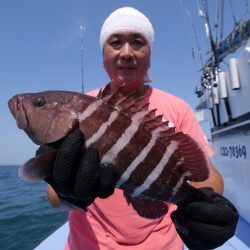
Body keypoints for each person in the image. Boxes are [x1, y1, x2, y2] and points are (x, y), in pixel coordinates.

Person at [42, 7, 238, 250]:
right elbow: (53, 197)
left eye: (137, 42)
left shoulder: (178, 108)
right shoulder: (78, 108)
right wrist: (67, 193)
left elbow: (208, 178)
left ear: (150, 54)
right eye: (115, 43)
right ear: (102, 57)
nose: (126, 52)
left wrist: (207, 212)